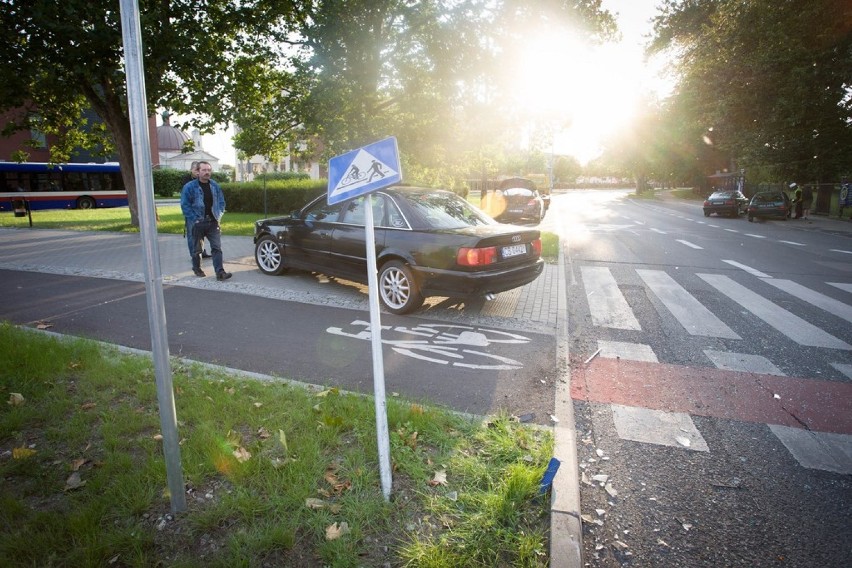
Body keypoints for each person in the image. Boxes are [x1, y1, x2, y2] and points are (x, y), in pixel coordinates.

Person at [180, 161, 232, 280]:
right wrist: (195, 219)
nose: (207, 172)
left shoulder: (215, 186)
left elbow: (221, 202)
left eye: (209, 170)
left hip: (213, 222)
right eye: (204, 170)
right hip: (197, 222)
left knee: (217, 248)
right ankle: (197, 268)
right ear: (197, 172)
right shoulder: (189, 187)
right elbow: (185, 205)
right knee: (197, 249)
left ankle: (220, 272)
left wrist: (218, 215)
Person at [181, 162, 211, 258]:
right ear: (192, 170)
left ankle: (202, 251)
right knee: (192, 234)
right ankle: (194, 255)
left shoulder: (203, 180)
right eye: (195, 170)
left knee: (201, 234)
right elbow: (186, 200)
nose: (198, 173)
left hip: (202, 212)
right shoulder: (187, 181)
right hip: (191, 213)